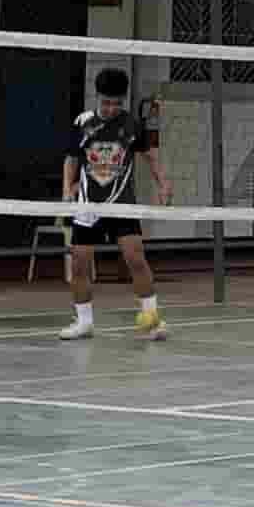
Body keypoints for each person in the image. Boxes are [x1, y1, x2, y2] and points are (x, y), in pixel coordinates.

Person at [55, 67, 170, 342]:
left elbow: (151, 157)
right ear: (98, 98)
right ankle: (84, 323)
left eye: (116, 103)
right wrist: (67, 189)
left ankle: (152, 320)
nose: (111, 108)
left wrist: (164, 185)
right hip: (87, 206)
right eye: (106, 103)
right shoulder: (83, 122)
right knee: (80, 264)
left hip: (122, 204)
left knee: (136, 259)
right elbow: (71, 158)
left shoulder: (132, 125)